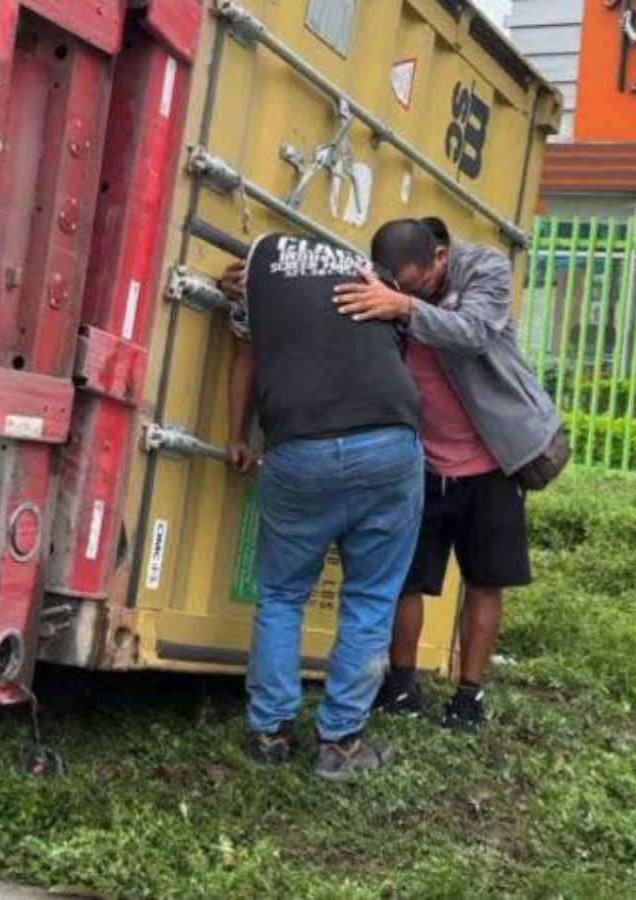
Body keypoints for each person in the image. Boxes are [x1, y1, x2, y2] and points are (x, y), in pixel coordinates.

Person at [333, 217, 562, 731]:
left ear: (441, 257)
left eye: (419, 287)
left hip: (493, 460)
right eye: (401, 288)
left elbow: (474, 334)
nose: (409, 295)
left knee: (486, 580)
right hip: (421, 463)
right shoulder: (383, 284)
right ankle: (400, 685)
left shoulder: (484, 268)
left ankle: (468, 695)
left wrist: (404, 307)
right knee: (406, 579)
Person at [222, 234, 424, 780]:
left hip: (299, 448)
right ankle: (340, 744)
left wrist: (237, 435)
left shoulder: (254, 274)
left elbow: (245, 357)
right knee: (370, 597)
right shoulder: (370, 272)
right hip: (387, 442)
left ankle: (269, 733)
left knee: (283, 594)